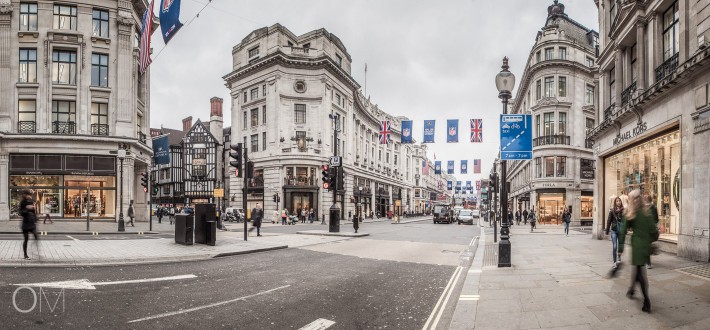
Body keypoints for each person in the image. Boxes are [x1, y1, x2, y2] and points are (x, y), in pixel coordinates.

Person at [618, 189, 655, 313]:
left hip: (637, 246)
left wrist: (620, 249)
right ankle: (631, 289)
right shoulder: (647, 212)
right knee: (638, 268)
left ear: (631, 200)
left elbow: (622, 232)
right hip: (646, 246)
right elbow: (654, 232)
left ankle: (647, 301)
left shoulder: (630, 213)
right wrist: (650, 241)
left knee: (640, 273)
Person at [605, 197, 624, 268]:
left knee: (620, 245)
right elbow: (609, 221)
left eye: (619, 201)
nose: (618, 202)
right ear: (615, 203)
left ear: (621, 202)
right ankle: (614, 262)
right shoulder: (612, 211)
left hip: (621, 230)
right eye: (617, 201)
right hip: (614, 230)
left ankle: (619, 256)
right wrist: (607, 230)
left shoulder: (623, 211)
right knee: (615, 246)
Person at [20, 191, 39, 260]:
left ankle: (34, 248)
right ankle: (25, 254)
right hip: (25, 223)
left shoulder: (31, 201)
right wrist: (27, 209)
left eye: (30, 195)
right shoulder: (23, 202)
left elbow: (33, 211)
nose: (29, 196)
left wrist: (36, 219)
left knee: (35, 235)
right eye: (28, 195)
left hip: (31, 222)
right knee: (26, 239)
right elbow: (21, 212)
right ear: (25, 195)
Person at [644, 195, 659, 269]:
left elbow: (656, 219)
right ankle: (648, 261)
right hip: (647, 229)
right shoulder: (652, 207)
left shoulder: (652, 208)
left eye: (646, 199)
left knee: (647, 245)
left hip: (649, 229)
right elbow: (656, 219)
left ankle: (648, 261)